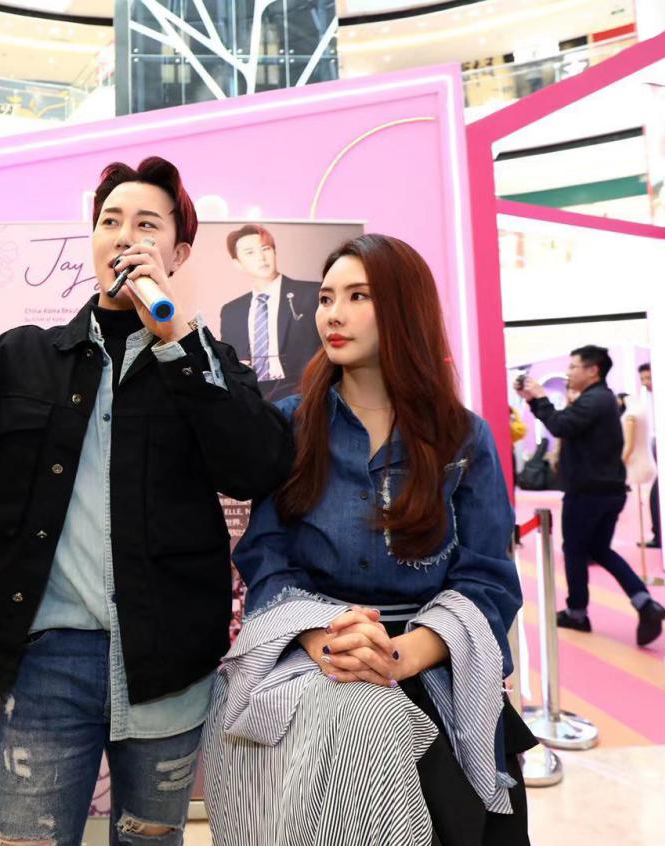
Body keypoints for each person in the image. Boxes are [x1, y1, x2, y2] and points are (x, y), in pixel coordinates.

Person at [0, 162, 293, 845]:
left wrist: (180, 345)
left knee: (150, 839)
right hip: (48, 660)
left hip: (167, 662)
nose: (123, 236)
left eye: (146, 224)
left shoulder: (206, 363)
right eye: (110, 221)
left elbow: (257, 465)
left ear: (178, 254)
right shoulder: (19, 358)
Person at [203, 234, 534, 846]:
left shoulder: (462, 436)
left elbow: (488, 579)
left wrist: (398, 656)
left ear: (406, 308)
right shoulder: (291, 426)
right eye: (327, 297)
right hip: (315, 664)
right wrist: (327, 641)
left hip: (438, 668)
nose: (334, 313)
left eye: (358, 296)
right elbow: (266, 558)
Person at [517, 346, 665, 645]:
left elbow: (560, 425)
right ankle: (644, 602)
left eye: (573, 366)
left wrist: (540, 397)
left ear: (593, 370)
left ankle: (577, 613)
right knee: (600, 549)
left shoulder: (595, 400)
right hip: (607, 491)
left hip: (588, 493)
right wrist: (535, 401)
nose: (569, 372)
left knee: (574, 550)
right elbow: (565, 424)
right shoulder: (600, 399)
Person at [218, 224, 321, 401]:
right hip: (252, 399)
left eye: (265, 249)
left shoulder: (311, 294)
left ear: (274, 252)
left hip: (303, 394)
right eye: (250, 252)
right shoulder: (231, 311)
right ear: (237, 264)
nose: (261, 257)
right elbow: (229, 362)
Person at [638, 362, 662, 548]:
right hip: (655, 447)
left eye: (649, 378)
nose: (646, 383)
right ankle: (659, 535)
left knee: (656, 496)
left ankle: (659, 536)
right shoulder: (647, 399)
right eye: (643, 379)